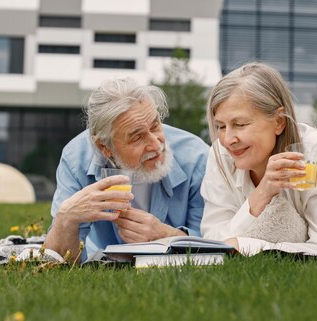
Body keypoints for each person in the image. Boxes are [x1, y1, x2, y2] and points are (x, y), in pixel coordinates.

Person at [200, 62, 317, 255]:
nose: (228, 140)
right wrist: (261, 194)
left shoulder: (315, 151)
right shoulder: (220, 153)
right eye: (220, 126)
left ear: (279, 121)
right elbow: (213, 242)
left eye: (240, 124)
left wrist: (247, 247)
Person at [45, 78, 209, 262]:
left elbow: (213, 243)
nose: (156, 144)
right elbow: (57, 262)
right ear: (104, 147)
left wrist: (165, 235)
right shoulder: (76, 159)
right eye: (137, 137)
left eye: (155, 126)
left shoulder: (196, 157)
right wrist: (66, 218)